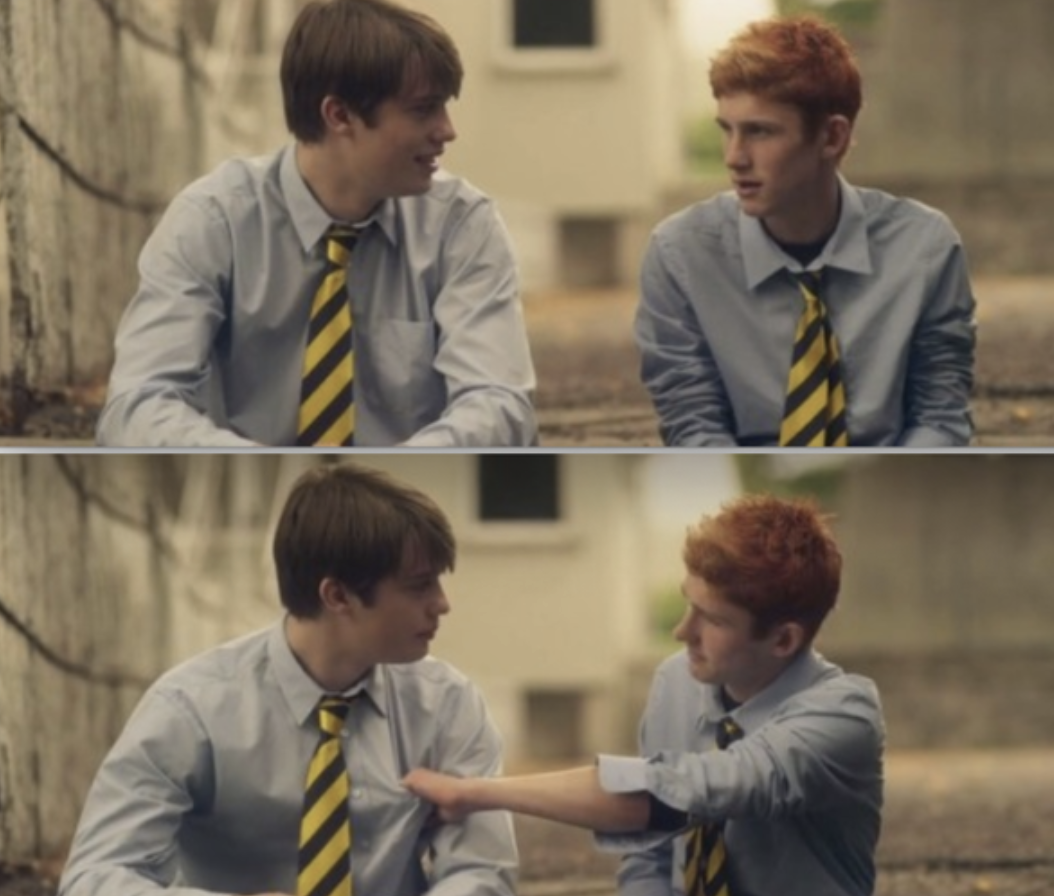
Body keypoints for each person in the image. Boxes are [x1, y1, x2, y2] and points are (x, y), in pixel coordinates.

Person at [58, 463, 518, 896]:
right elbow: (93, 877)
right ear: (337, 595)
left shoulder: (447, 706)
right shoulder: (191, 709)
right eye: (419, 585)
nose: (442, 604)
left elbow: (480, 870)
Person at [96, 0, 536, 447]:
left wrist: (395, 466)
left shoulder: (461, 227)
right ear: (339, 115)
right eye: (424, 109)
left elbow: (499, 402)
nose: (447, 130)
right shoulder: (214, 221)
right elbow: (136, 406)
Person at [404, 494, 885, 896]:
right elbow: (652, 854)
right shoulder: (678, 681)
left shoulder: (844, 716)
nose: (681, 631)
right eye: (686, 603)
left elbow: (690, 791)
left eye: (713, 620)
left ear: (783, 640)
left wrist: (474, 792)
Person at [635, 15, 975, 447]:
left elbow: (940, 416)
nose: (735, 158)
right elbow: (693, 426)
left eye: (760, 132)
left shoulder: (924, 248)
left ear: (832, 137)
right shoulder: (681, 255)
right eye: (728, 130)